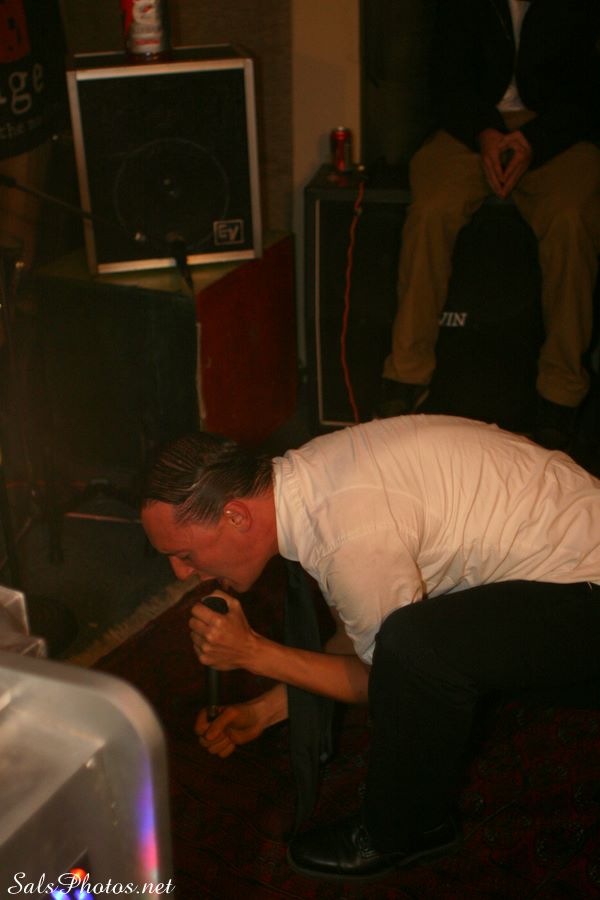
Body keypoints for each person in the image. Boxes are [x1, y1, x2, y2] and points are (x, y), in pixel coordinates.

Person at [141, 416, 600, 881]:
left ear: (236, 515)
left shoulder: (347, 536)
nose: (181, 573)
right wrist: (264, 711)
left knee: (418, 648)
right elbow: (357, 636)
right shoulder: (310, 482)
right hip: (567, 547)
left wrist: (253, 652)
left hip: (587, 594)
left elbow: (397, 679)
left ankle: (409, 832)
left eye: (184, 554)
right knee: (409, 641)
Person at [377, 0, 600, 451]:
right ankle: (406, 374)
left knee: (571, 219)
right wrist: (484, 132)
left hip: (557, 133)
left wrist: (536, 141)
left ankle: (560, 392)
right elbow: (444, 80)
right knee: (431, 211)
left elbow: (588, 93)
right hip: (473, 129)